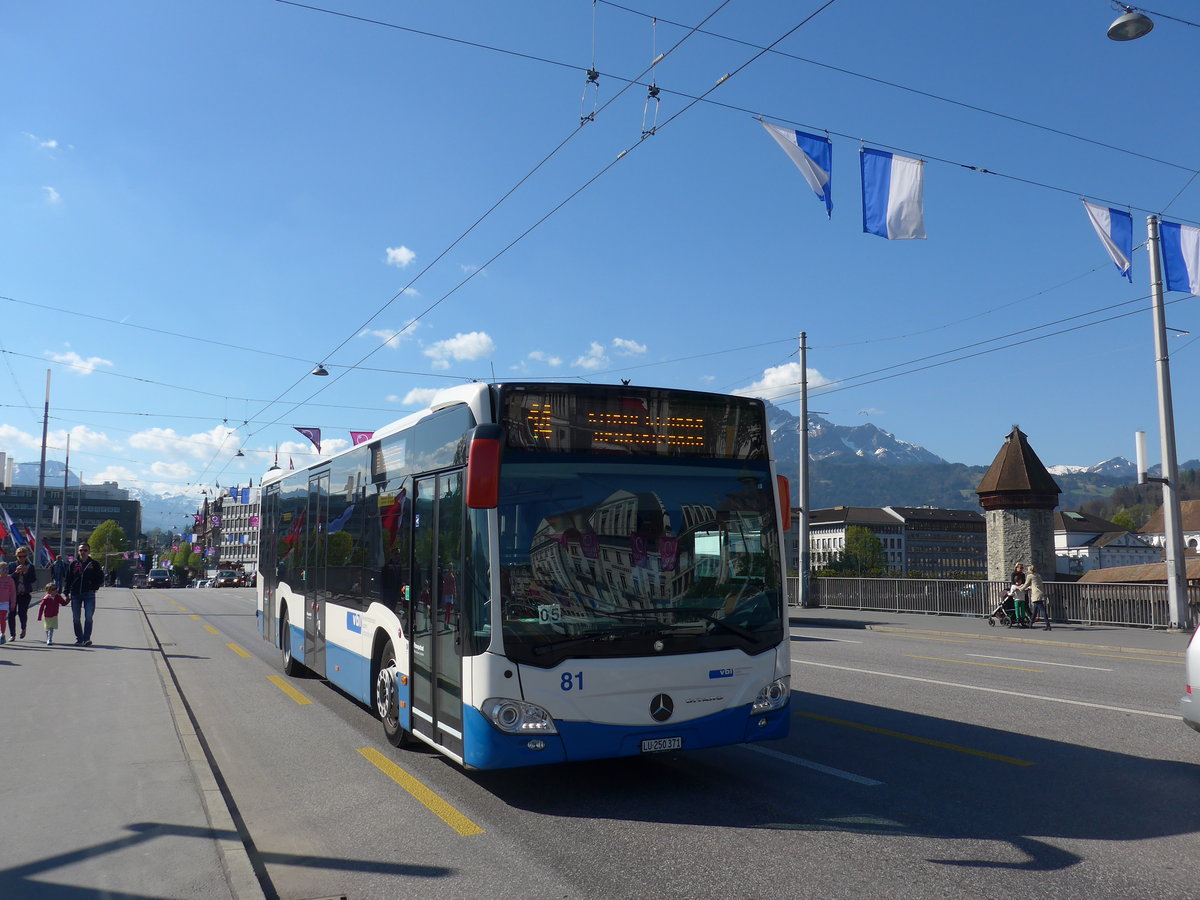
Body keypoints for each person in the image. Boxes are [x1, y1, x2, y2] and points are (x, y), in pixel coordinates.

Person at [64, 542, 104, 646]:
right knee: (76, 618)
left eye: (85, 550)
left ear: (89, 551)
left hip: (89, 593)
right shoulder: (73, 564)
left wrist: (94, 587)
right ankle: (79, 638)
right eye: (81, 550)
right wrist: (66, 592)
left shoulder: (94, 564)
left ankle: (86, 639)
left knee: (89, 617)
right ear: (78, 552)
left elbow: (100, 577)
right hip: (75, 593)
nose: (83, 552)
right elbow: (68, 579)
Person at [7, 546, 38, 640]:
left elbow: (33, 579)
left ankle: (23, 628)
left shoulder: (30, 566)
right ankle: (12, 634)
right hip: (13, 594)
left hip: (25, 593)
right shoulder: (12, 565)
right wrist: (16, 572)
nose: (22, 558)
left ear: (26, 556)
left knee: (22, 613)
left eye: (24, 556)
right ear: (17, 556)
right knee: (11, 614)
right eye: (20, 556)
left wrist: (26, 573)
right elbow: (8, 578)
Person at [1026, 564, 1051, 630]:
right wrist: (1031, 587)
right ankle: (1030, 624)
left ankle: (1048, 625)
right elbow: (1036, 585)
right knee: (1035, 611)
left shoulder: (1030, 576)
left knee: (1042, 610)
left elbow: (1026, 584)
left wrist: (1021, 588)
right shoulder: (1038, 576)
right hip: (1040, 593)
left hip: (1036, 595)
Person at [1010, 562, 1029, 627]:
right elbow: (1013, 583)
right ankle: (1018, 618)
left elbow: (1024, 582)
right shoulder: (1013, 574)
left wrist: (1025, 587)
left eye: (1022, 568)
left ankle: (1024, 618)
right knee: (1017, 609)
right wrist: (1017, 587)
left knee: (1024, 607)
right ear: (1016, 568)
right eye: (1020, 568)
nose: (1021, 569)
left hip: (1022, 596)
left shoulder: (1023, 574)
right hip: (1017, 597)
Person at [0, 562, 13, 646]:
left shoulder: (10, 580)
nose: (6, 571)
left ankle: (2, 634)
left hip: (5, 602)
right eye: (4, 569)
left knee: (2, 618)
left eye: (7, 569)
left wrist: (13, 603)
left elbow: (13, 593)